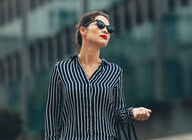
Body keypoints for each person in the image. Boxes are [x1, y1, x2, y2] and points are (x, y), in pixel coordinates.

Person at [45, 11, 152, 140]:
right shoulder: (62, 69)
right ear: (83, 30)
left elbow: (118, 114)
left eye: (109, 29)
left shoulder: (114, 71)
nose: (106, 31)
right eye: (100, 25)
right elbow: (52, 114)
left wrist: (133, 112)